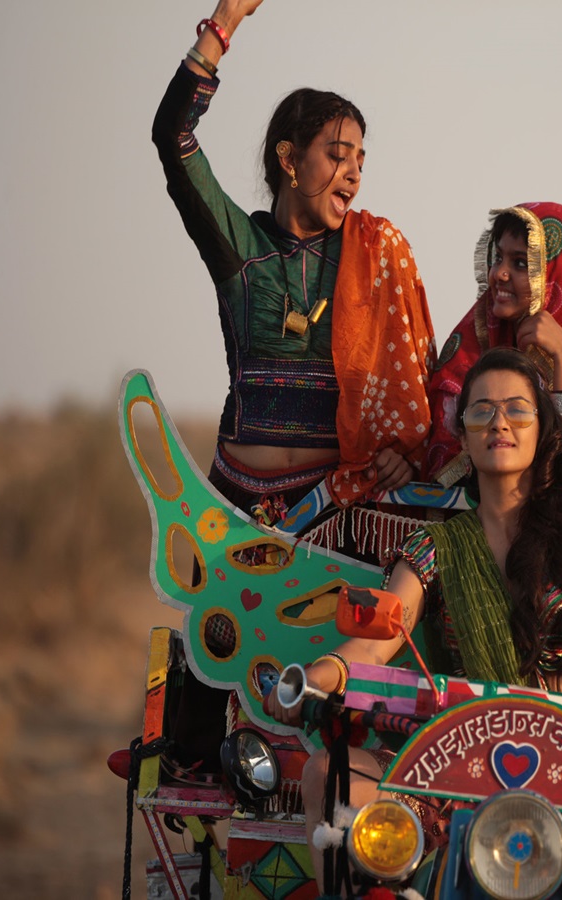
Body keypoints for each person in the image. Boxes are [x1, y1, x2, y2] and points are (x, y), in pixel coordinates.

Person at [268, 210, 562, 899]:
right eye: (481, 411)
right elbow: (374, 642)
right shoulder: (437, 544)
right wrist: (314, 676)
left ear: (544, 426)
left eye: (517, 410)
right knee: (328, 774)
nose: (499, 423)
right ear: (459, 434)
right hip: (455, 774)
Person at [152, 0, 434, 771]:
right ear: (288, 158)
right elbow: (173, 141)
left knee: (323, 682)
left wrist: (407, 453)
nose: (352, 171)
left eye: (361, 159)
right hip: (233, 501)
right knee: (207, 666)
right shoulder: (239, 246)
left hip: (336, 508)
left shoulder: (375, 256)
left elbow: (418, 388)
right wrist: (221, 26)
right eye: (337, 152)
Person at [424, 202, 562, 487]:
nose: (499, 274)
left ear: (558, 274)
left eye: (520, 263)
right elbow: (442, 467)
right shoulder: (469, 344)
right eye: (498, 258)